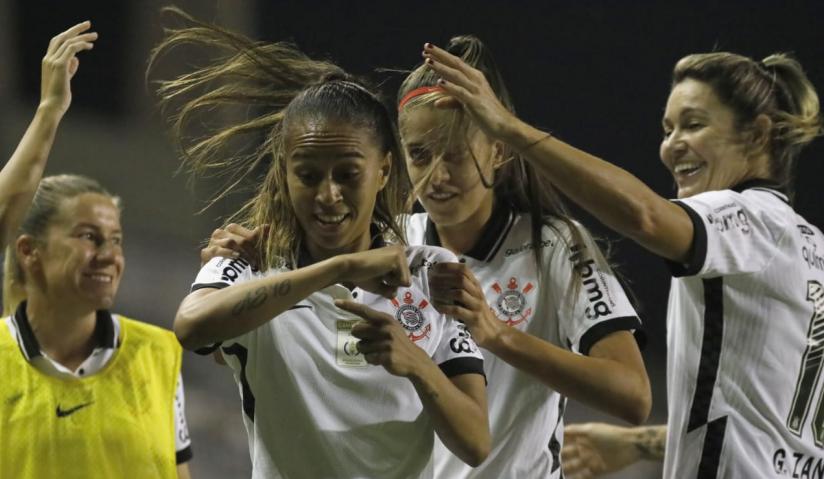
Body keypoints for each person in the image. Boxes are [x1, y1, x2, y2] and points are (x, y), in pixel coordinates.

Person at [205, 35, 652, 479]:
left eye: (456, 155)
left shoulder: (554, 244)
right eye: (419, 154)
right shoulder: (393, 249)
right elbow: (254, 352)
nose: (436, 175)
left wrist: (498, 335)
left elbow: (632, 397)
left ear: (497, 151)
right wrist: (240, 273)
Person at [421, 42, 824, 477]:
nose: (671, 147)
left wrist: (509, 128)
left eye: (693, 125)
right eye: (667, 130)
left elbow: (645, 217)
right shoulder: (812, 248)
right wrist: (641, 444)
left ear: (758, 135)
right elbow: (769, 422)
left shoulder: (750, 222)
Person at [149, 9, 489, 478]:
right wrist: (339, 268)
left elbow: (476, 442)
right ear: (285, 175)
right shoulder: (250, 260)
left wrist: (417, 364)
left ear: (384, 171)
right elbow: (189, 327)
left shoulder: (432, 271)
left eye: (348, 175)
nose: (328, 195)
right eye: (308, 176)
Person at [0, 23, 193, 479]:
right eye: (87, 237)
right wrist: (49, 110)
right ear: (29, 251)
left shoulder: (160, 352)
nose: (109, 254)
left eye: (116, 240)